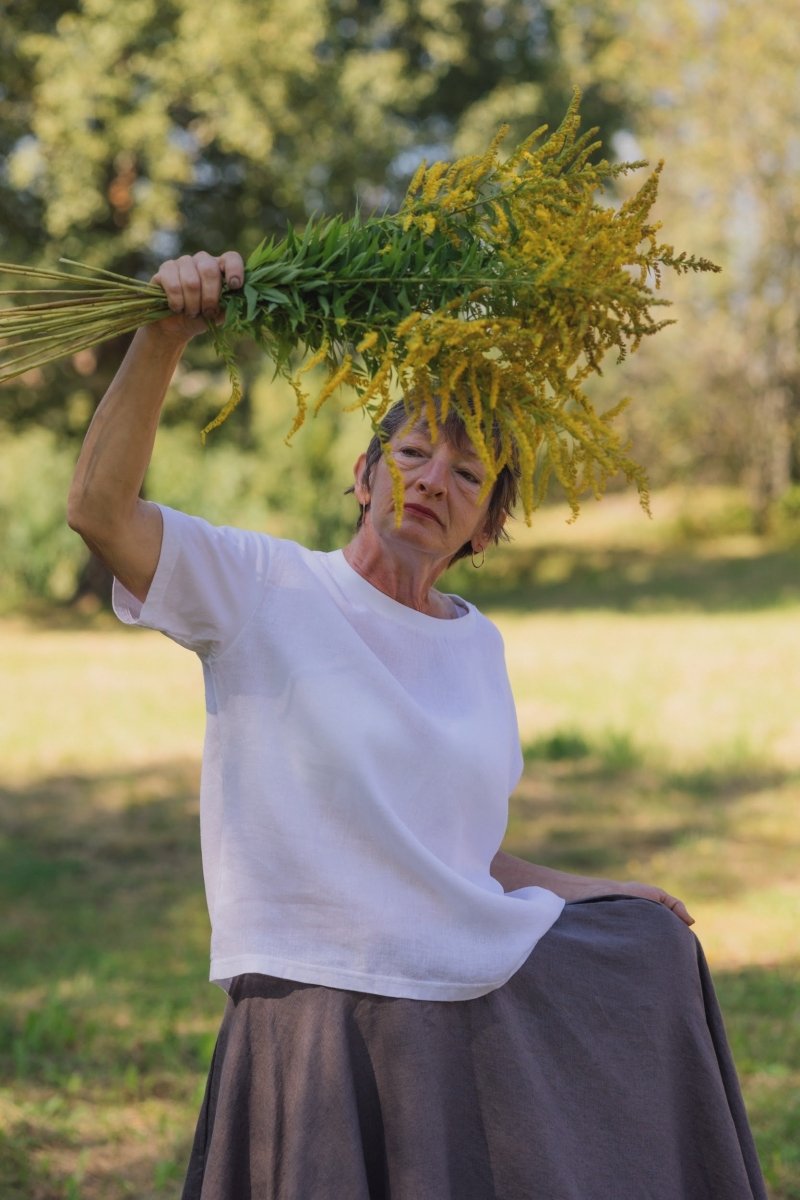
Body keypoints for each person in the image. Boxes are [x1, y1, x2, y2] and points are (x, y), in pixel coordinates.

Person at [68, 251, 767, 1200]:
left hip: (453, 998)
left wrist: (597, 893)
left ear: (484, 527)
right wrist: (164, 337)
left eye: (467, 474)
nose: (434, 479)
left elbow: (454, 855)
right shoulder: (262, 588)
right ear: (363, 475)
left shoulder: (478, 647)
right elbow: (99, 509)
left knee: (654, 951)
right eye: (412, 454)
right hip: (322, 1012)